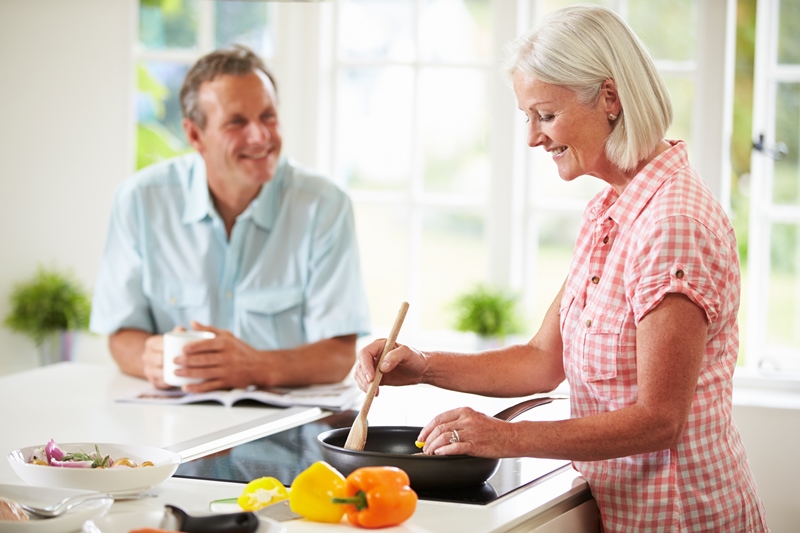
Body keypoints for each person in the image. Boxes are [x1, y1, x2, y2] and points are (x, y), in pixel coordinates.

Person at [354, 6, 768, 532]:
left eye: (545, 115)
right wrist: (424, 367)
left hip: (682, 516)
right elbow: (542, 360)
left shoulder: (673, 224)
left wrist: (507, 438)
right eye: (526, 117)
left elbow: (659, 420)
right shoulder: (608, 212)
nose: (532, 138)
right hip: (624, 511)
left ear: (610, 99)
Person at [90, 45, 370, 392]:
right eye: (237, 122)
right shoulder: (140, 200)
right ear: (194, 135)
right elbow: (121, 336)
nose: (260, 136)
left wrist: (256, 367)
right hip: (173, 419)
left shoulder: (324, 205)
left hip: (283, 427)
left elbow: (339, 354)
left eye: (268, 116)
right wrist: (151, 357)